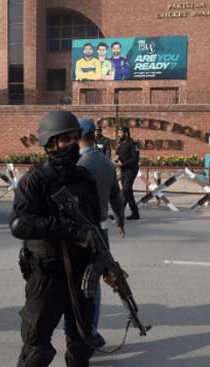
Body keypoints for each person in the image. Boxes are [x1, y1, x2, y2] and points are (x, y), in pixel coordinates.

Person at [9, 110, 101, 367]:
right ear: (49, 143)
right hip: (46, 274)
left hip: (80, 272)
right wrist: (66, 229)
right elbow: (19, 224)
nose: (72, 144)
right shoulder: (35, 181)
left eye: (74, 138)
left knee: (81, 342)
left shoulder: (85, 178)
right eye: (64, 140)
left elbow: (95, 225)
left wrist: (105, 264)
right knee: (36, 349)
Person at [76, 118, 125, 349]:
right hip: (102, 230)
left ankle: (79, 332)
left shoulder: (77, 164)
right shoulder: (106, 163)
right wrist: (121, 220)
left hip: (79, 232)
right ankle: (91, 331)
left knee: (78, 282)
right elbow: (117, 196)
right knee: (93, 282)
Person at [116, 125, 140, 220]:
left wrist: (123, 164)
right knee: (128, 192)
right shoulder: (120, 143)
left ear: (126, 133)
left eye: (120, 133)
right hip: (123, 170)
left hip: (131, 170)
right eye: (118, 133)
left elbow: (135, 159)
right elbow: (118, 154)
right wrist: (115, 159)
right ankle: (135, 213)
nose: (118, 134)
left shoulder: (133, 144)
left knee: (125, 190)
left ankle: (118, 213)